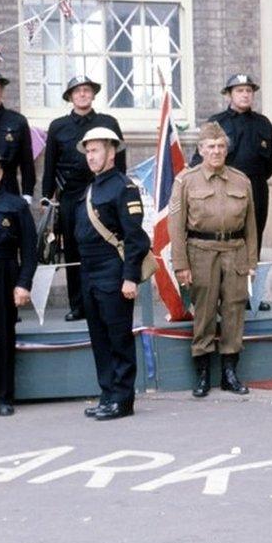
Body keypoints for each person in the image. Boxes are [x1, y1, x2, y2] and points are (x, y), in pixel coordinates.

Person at [169, 122, 257, 399]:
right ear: (201, 150)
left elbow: (252, 226)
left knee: (234, 310)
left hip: (235, 251)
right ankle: (203, 373)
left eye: (221, 146)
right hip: (201, 251)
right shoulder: (186, 180)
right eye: (211, 147)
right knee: (204, 312)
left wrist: (252, 261)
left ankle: (230, 373)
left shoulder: (241, 181)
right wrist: (181, 264)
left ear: (226, 150)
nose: (216, 151)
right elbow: (176, 225)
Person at [75, 127, 150, 421]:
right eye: (88, 151)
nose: (90, 156)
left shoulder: (124, 187)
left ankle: (122, 399)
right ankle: (107, 394)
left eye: (95, 150)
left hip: (113, 271)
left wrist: (130, 277)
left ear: (111, 151)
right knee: (99, 338)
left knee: (118, 338)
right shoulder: (91, 187)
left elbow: (135, 237)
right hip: (90, 272)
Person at [190, 74, 272, 311]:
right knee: (224, 240)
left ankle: (249, 295)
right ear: (229, 94)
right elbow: (199, 160)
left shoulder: (263, 124)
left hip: (256, 189)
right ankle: (219, 296)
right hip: (221, 191)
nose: (245, 95)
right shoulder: (216, 123)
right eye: (239, 91)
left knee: (253, 239)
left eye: (249, 91)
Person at [42, 75, 126, 322]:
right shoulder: (58, 126)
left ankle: (109, 300)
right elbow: (50, 165)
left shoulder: (107, 122)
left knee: (107, 246)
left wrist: (120, 189)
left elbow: (119, 161)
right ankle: (78, 305)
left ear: (93, 94)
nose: (82, 94)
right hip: (71, 196)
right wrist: (47, 198)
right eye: (77, 91)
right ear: (70, 96)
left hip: (103, 193)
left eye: (87, 90)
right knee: (74, 251)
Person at [0, 148, 36, 417]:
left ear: (0, 172)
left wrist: (23, 283)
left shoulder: (15, 205)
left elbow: (29, 251)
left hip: (5, 273)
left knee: (5, 337)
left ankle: (5, 397)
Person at [0, 69, 35, 198]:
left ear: (2, 90)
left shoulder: (17, 121)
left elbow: (27, 163)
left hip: (8, 189)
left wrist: (27, 194)